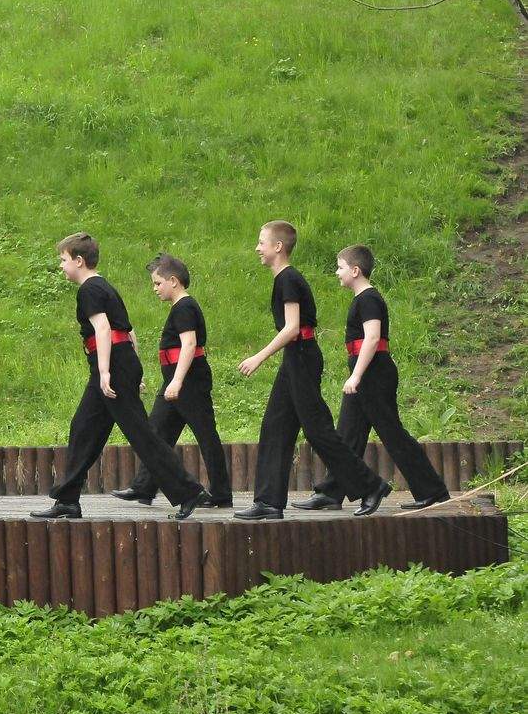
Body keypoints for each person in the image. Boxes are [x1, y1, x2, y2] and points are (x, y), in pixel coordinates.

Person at [33, 233, 207, 520]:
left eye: (63, 260)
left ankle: (189, 492)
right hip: (118, 364)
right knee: (83, 428)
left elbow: (103, 329)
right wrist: (132, 371)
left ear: (79, 261)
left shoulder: (89, 289)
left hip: (111, 366)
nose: (61, 265)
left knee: (141, 433)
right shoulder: (104, 287)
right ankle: (67, 500)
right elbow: (129, 331)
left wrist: (105, 372)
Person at [236, 221, 390, 520]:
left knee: (318, 430)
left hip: (302, 357)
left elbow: (292, 328)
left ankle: (371, 486)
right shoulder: (284, 279)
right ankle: (268, 502)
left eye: (261, 242)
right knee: (275, 426)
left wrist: (259, 357)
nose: (257, 248)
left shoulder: (288, 279)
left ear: (278, 246)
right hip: (296, 357)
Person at [292, 245, 451, 511]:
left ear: (355, 270)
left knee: (391, 432)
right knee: (348, 434)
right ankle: (332, 491)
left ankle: (432, 490)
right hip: (366, 372)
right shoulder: (362, 299)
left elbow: (373, 337)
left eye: (340, 267)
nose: (337, 272)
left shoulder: (369, 299)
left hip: (373, 373)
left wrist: (356, 376)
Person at [112, 254, 232, 507]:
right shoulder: (179, 308)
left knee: (205, 434)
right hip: (174, 379)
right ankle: (144, 487)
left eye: (158, 283)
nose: (154, 288)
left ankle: (221, 494)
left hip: (189, 381)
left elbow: (189, 344)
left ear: (174, 281)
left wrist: (177, 381)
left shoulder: (185, 307)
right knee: (156, 431)